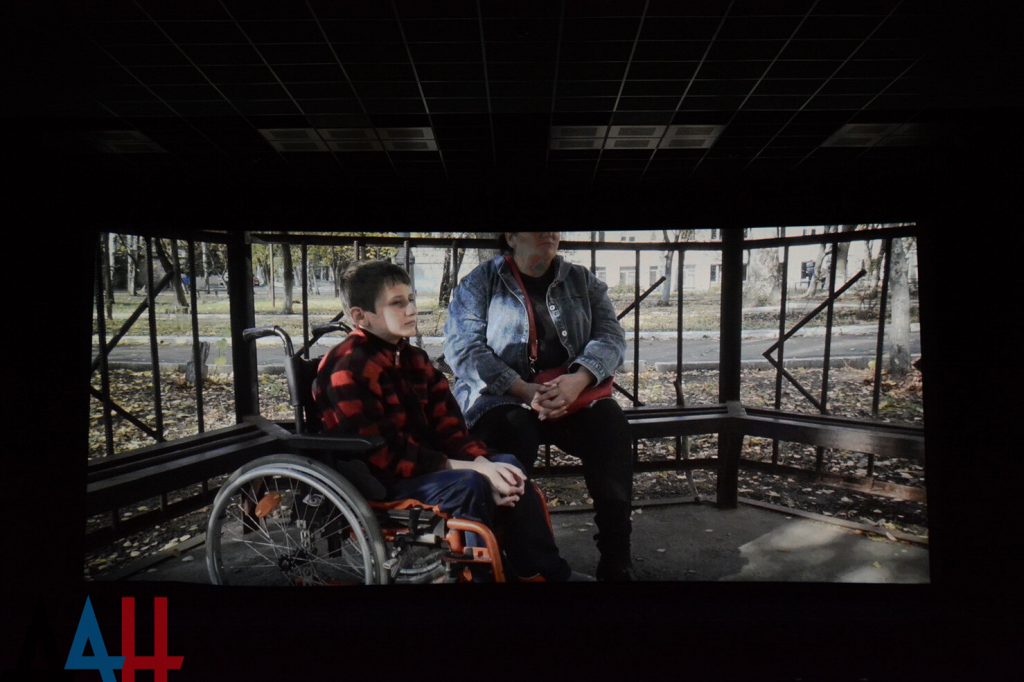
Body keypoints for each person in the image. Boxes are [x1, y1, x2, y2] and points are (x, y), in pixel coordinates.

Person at [312, 260, 580, 582]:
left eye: (411, 299)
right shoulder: (349, 366)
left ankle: (541, 571)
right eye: (397, 303)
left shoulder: (413, 359)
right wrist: (475, 471)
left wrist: (482, 462)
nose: (412, 309)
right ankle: (480, 576)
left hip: (426, 466)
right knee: (471, 483)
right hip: (380, 478)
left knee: (508, 467)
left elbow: (449, 427)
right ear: (360, 316)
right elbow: (386, 455)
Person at [444, 232, 635, 581]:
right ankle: (523, 559)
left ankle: (616, 556)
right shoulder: (480, 282)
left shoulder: (582, 280)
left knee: (610, 426)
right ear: (511, 237)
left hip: (572, 396)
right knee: (510, 433)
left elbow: (610, 336)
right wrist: (522, 389)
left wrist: (578, 380)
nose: (549, 231)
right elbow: (464, 349)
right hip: (504, 397)